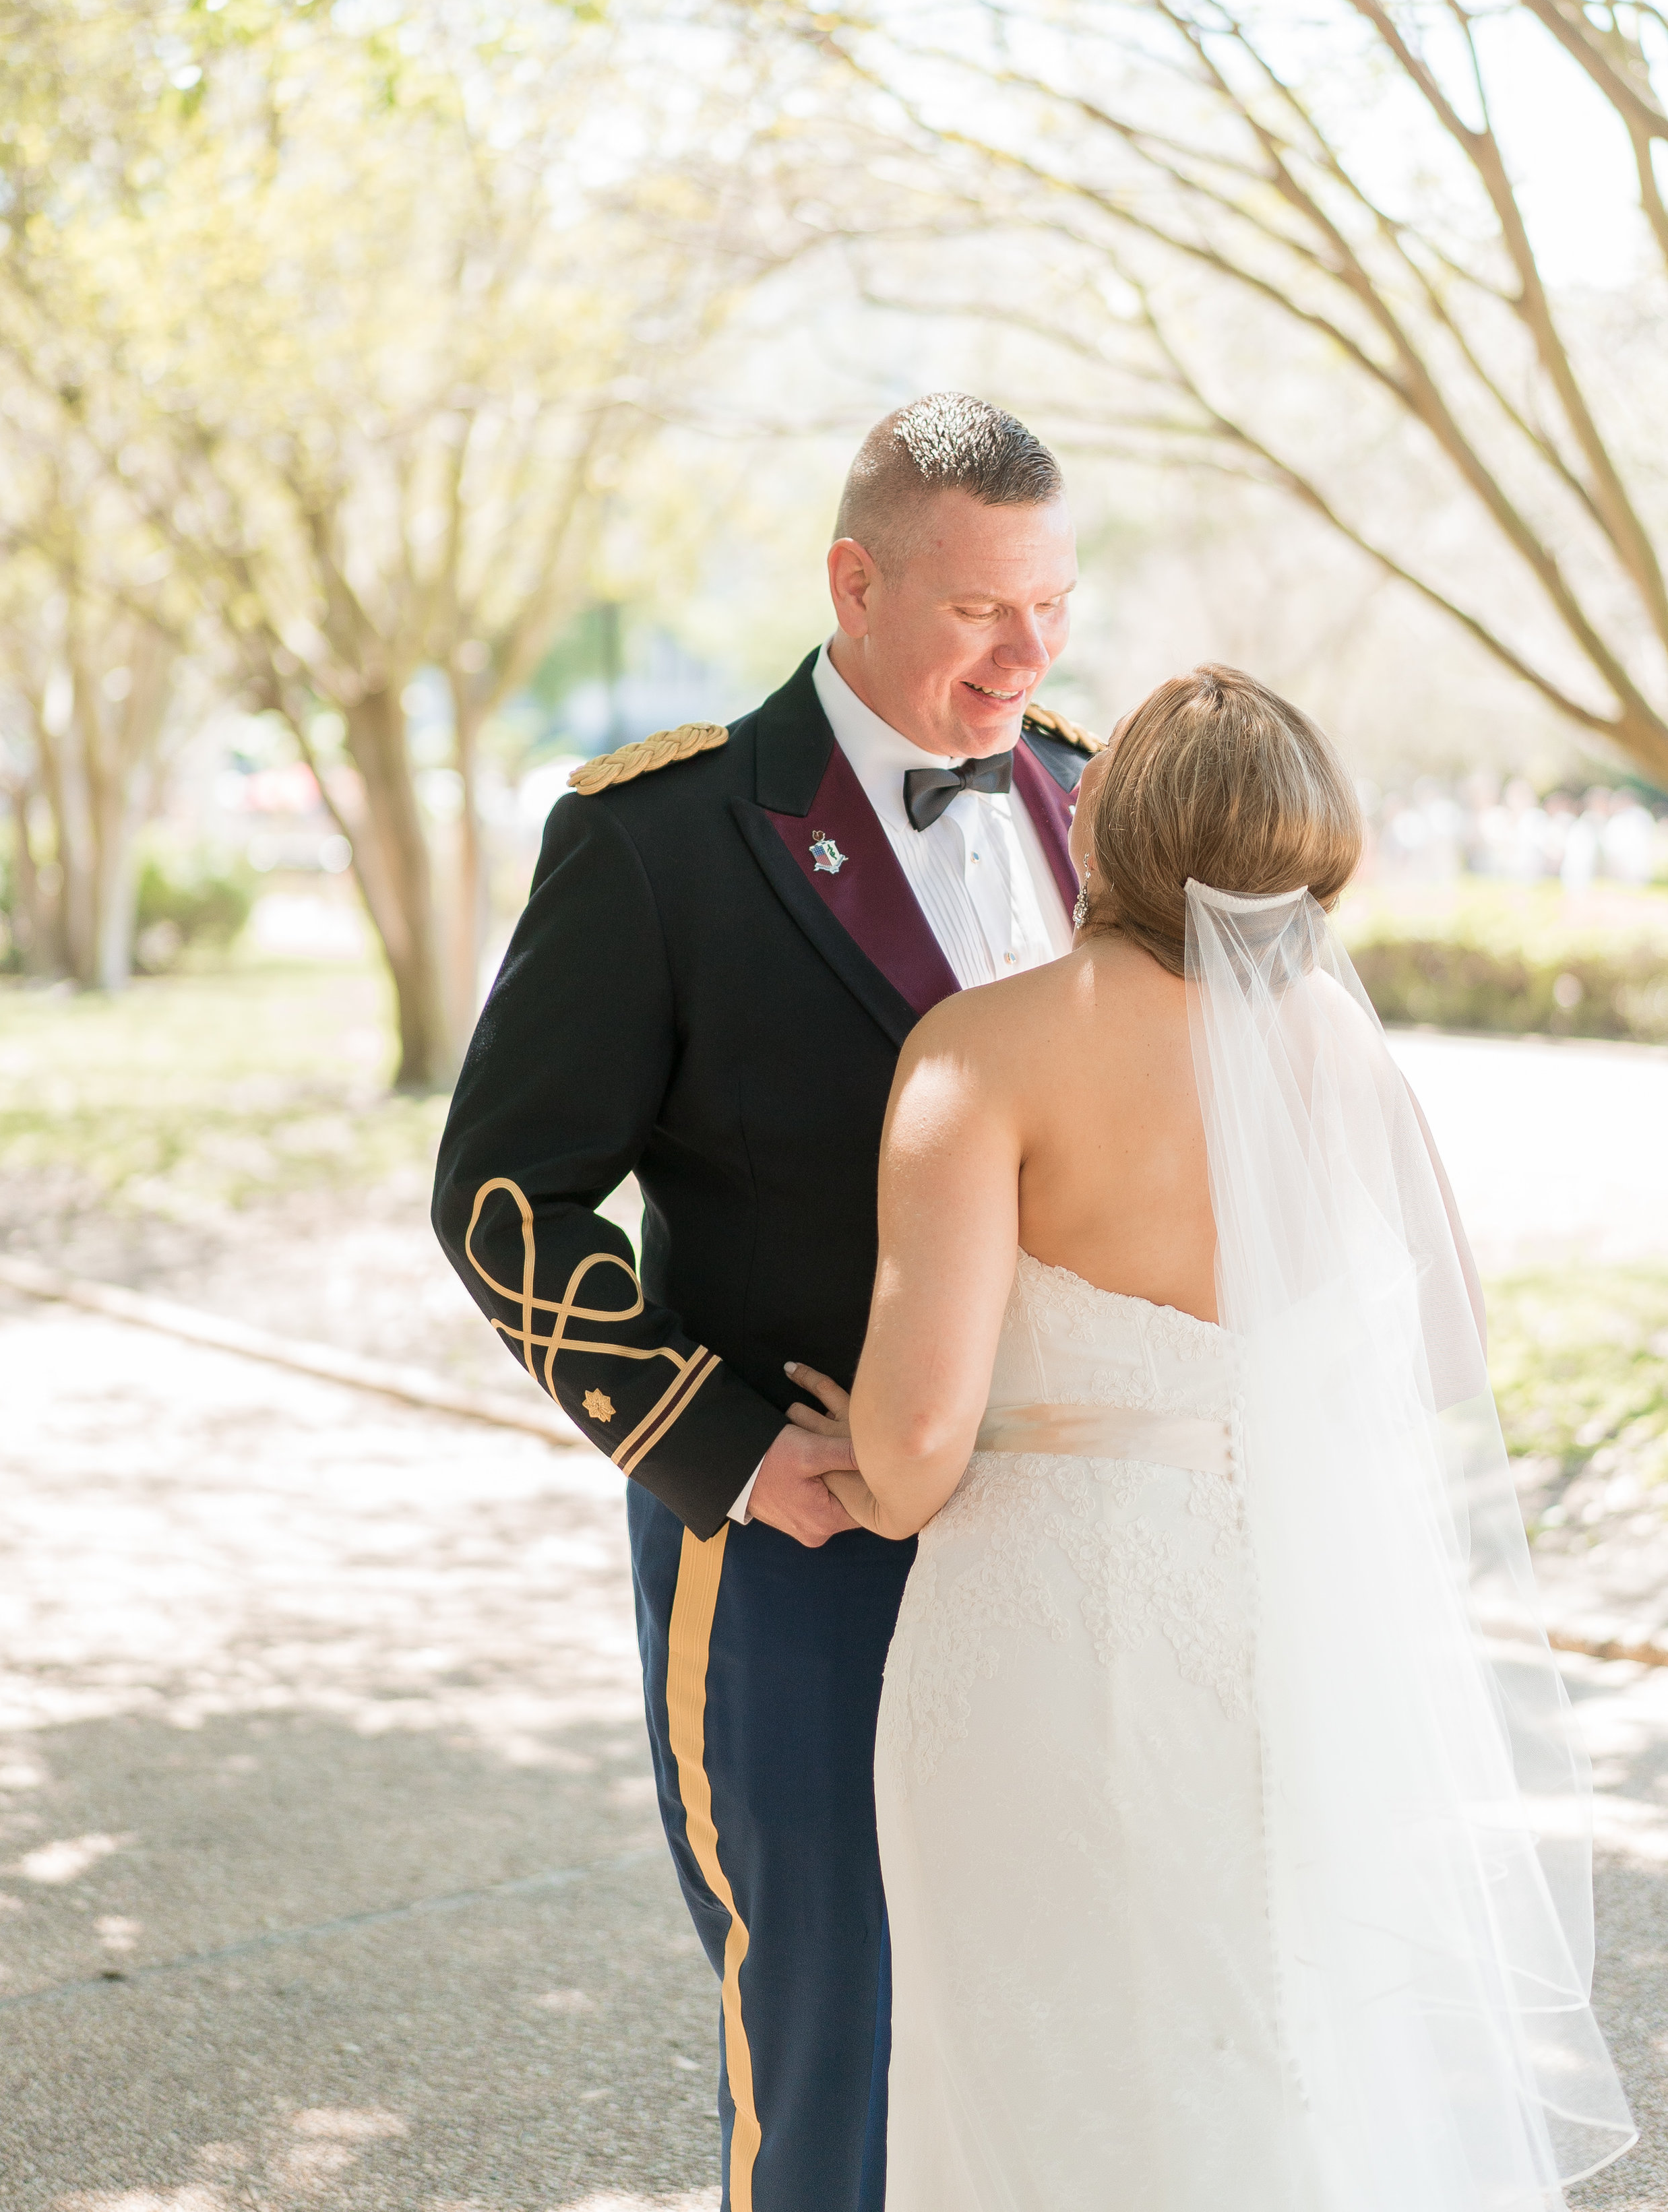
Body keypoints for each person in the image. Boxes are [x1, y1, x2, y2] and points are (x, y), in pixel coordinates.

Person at [792, 668, 1635, 2210]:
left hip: (1045, 1637)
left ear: (1093, 833)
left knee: (1040, 2069)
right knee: (1277, 2050)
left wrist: (861, 1436)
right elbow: (1443, 1342)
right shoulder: (1333, 1049)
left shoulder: (982, 1051)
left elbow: (912, 1452)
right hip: (1292, 1640)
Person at [430, 393, 1099, 2212]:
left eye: (1051, 603)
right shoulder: (661, 838)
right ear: (853, 582)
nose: (1028, 653)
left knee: (1062, 2012)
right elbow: (504, 1194)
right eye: (980, 609)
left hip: (1084, 1549)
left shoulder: (1099, 801)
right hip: (800, 1551)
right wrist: (720, 1453)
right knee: (833, 2040)